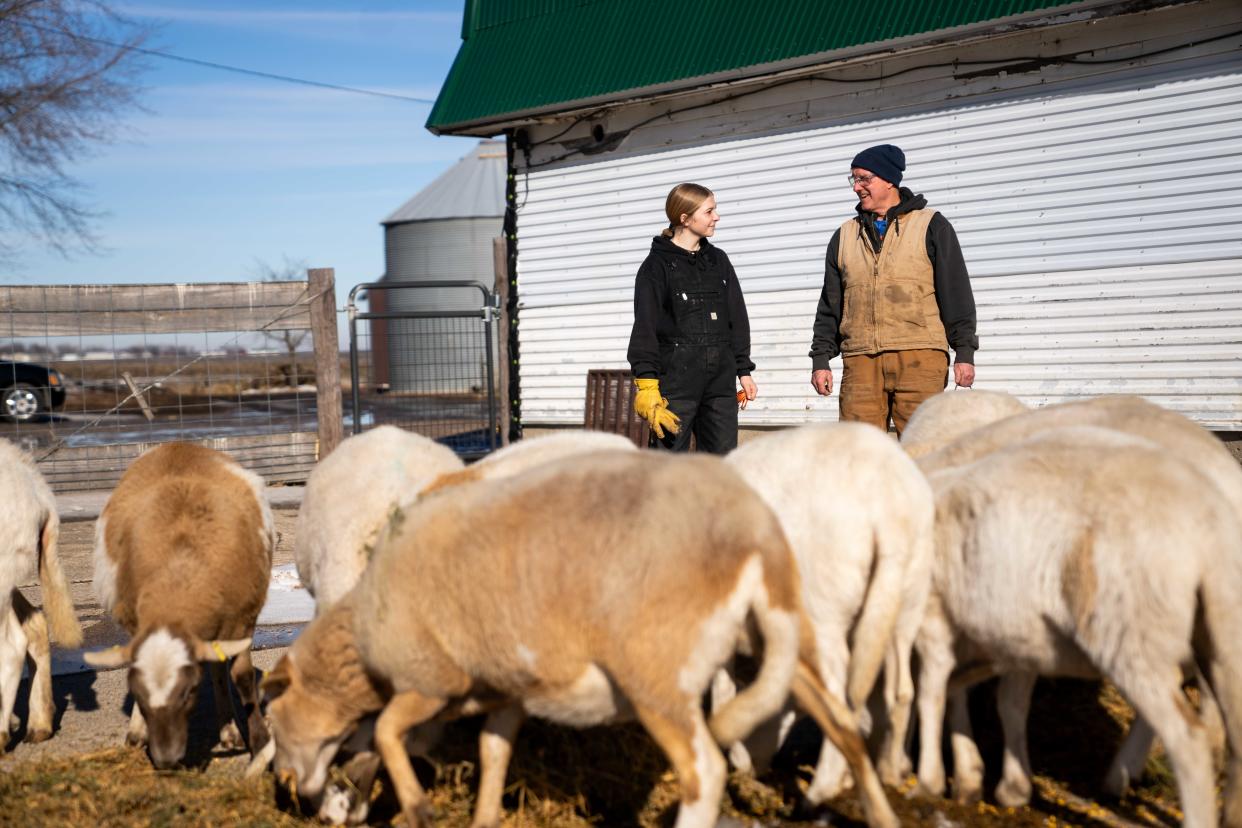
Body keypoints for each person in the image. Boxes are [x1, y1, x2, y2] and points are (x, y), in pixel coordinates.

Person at [808, 144, 978, 435]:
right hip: (861, 358)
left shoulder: (931, 225)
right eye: (854, 179)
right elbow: (830, 304)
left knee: (923, 446)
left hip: (920, 356)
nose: (856, 187)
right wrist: (821, 359)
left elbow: (956, 293)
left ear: (889, 180)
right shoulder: (846, 235)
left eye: (864, 179)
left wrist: (964, 352)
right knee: (859, 450)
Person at [627, 183, 757, 454]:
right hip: (675, 386)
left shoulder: (718, 261)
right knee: (669, 468)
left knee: (721, 464)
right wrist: (648, 383)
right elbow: (645, 329)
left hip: (720, 384)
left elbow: (737, 318)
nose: (717, 217)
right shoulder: (656, 267)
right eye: (709, 211)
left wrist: (743, 370)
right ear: (684, 219)